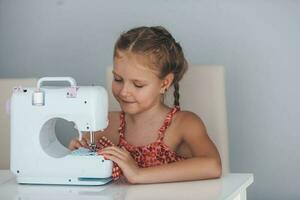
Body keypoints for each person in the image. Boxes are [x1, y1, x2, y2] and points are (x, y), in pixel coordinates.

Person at [69, 26, 222, 184]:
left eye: (138, 84)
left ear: (164, 83)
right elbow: (82, 175)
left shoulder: (183, 124)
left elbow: (213, 165)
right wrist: (77, 153)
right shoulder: (106, 124)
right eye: (118, 79)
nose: (124, 92)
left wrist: (139, 174)